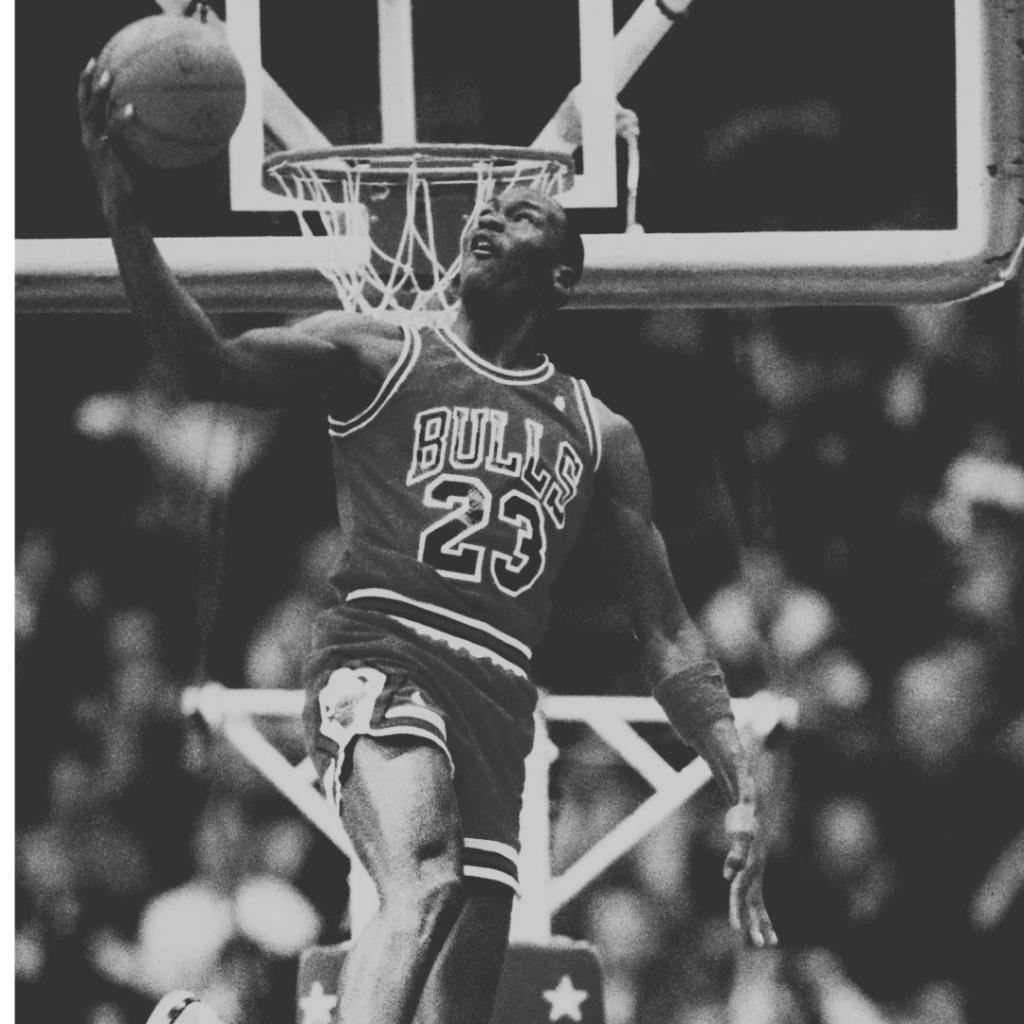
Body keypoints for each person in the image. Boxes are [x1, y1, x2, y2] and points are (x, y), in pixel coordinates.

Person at [79, 57, 777, 1024]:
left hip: (497, 704)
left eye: (522, 216)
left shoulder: (600, 433)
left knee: (458, 1001)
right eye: (486, 213)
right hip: (382, 655)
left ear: (563, 274)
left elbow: (665, 633)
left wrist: (739, 778)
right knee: (425, 880)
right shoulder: (380, 351)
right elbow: (205, 366)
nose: (489, 218)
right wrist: (123, 209)